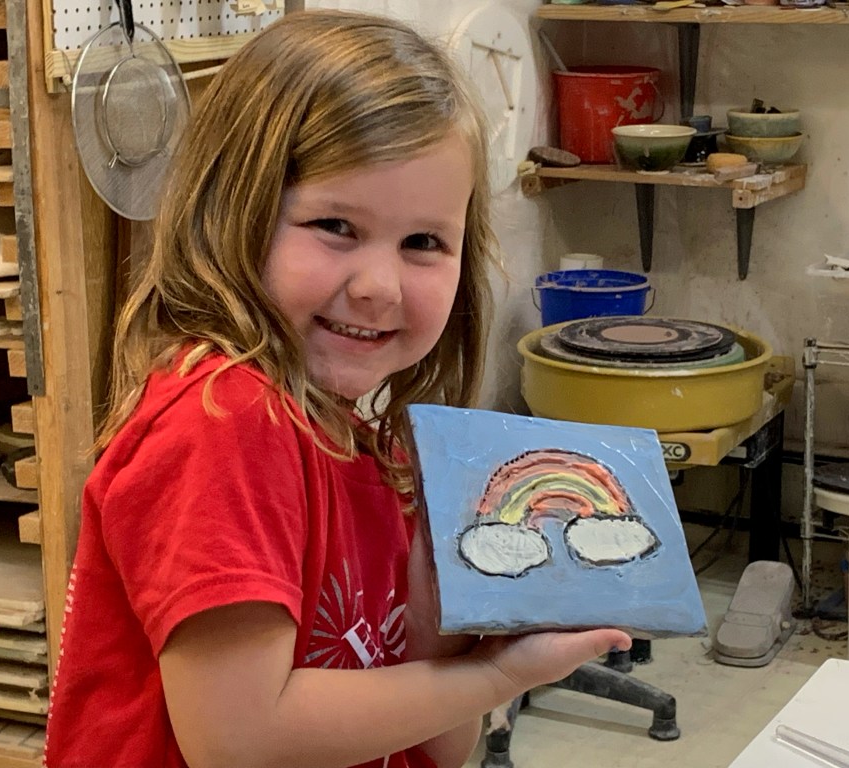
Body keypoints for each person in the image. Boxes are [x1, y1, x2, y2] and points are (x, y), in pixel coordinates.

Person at [43, 10, 630, 768]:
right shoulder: (224, 421)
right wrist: (497, 674)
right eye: (335, 226)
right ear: (232, 212)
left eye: (424, 242)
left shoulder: (361, 442)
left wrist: (446, 617)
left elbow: (438, 748)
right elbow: (241, 739)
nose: (380, 287)